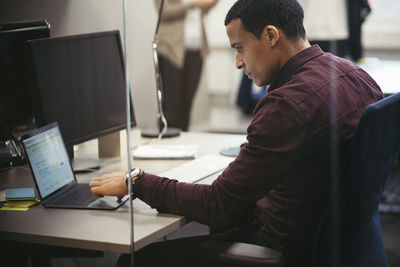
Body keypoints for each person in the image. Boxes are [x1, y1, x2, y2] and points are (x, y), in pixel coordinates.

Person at [90, 0, 383, 266]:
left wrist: (138, 181)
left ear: (271, 35)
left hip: (289, 249)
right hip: (346, 241)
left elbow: (217, 206)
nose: (239, 63)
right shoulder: (356, 76)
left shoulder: (285, 105)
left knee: (140, 260)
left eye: (239, 48)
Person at [154, 0, 218, 131]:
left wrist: (208, 4)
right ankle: (166, 144)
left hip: (196, 48)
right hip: (171, 48)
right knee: (172, 106)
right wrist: (194, 4)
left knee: (187, 105)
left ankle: (183, 145)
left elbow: (203, 11)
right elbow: (164, 12)